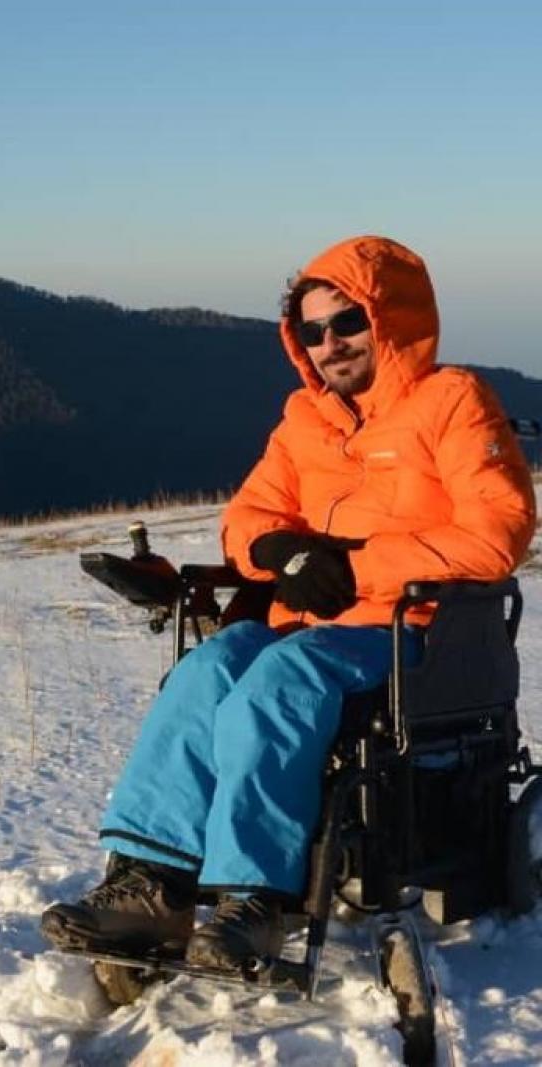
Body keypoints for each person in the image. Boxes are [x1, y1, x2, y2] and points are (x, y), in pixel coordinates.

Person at [40, 235, 536, 971]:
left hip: (419, 630)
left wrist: (355, 566)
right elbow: (249, 516)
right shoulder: (307, 420)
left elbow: (496, 531)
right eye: (313, 330)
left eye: (348, 322)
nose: (330, 343)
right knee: (207, 669)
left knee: (280, 681)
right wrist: (282, 553)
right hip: (310, 622)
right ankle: (153, 884)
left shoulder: (452, 401)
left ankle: (252, 902)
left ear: (390, 319)